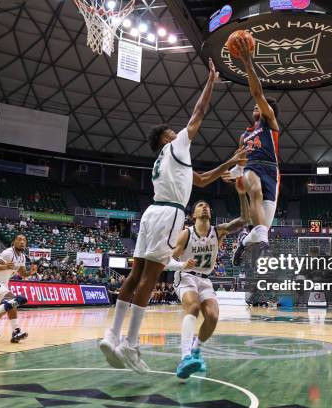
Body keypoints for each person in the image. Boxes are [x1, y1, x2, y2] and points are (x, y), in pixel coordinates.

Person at [99, 59, 237, 374]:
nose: (179, 132)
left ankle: (111, 334)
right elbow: (198, 114)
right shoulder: (176, 145)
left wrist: (228, 163)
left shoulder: (167, 160)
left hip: (151, 212)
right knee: (149, 279)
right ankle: (130, 344)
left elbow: (200, 180)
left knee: (135, 276)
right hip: (170, 214)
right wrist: (211, 82)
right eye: (172, 132)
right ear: (165, 138)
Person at [167, 179, 249, 378]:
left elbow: (245, 219)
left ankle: (196, 350)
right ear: (193, 214)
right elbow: (166, 261)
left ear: (210, 213)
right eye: (200, 206)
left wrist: (240, 193)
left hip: (205, 279)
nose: (205, 207)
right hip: (185, 276)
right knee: (193, 308)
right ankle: (185, 356)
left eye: (207, 206)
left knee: (212, 316)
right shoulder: (185, 234)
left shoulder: (218, 231)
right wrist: (181, 265)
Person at [230, 37, 280, 266]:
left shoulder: (270, 123)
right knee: (255, 189)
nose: (255, 107)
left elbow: (257, 94)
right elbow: (239, 161)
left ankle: (243, 242)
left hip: (272, 172)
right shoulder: (244, 135)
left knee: (262, 228)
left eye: (259, 106)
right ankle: (258, 241)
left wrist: (248, 61)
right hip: (253, 168)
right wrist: (235, 173)